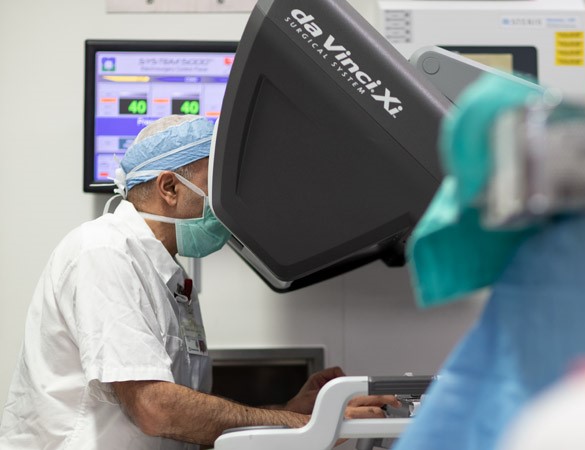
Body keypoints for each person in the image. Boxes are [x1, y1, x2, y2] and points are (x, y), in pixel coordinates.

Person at [0, 115, 398, 449]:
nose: (227, 202)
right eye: (218, 185)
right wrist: (306, 427)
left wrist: (292, 410)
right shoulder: (103, 252)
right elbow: (155, 408)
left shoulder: (170, 277)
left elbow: (186, 416)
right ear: (170, 188)